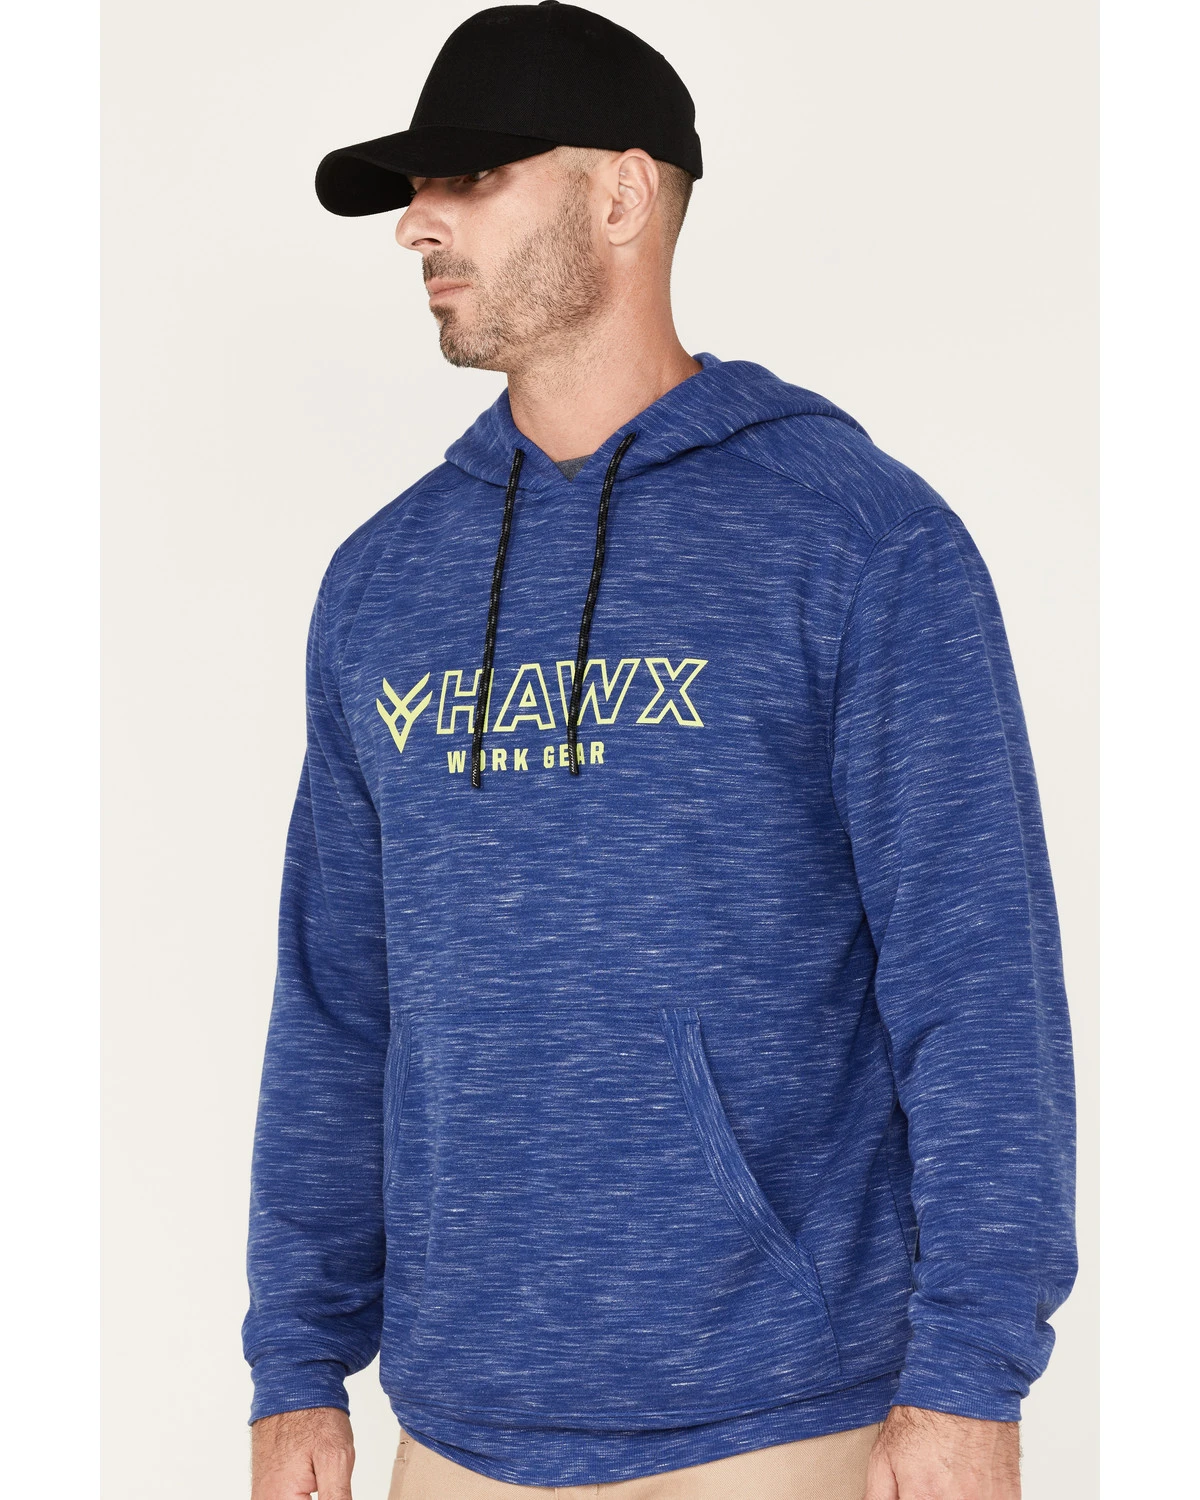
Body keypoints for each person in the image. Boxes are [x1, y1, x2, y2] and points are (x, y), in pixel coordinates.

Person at [242, 4, 1078, 1498]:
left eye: (471, 179)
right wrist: (298, 1364)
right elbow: (337, 1000)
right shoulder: (385, 582)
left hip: (779, 1412)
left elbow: (976, 982)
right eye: (415, 192)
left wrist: (970, 1376)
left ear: (622, 196)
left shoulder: (857, 541)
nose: (419, 224)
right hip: (457, 1421)